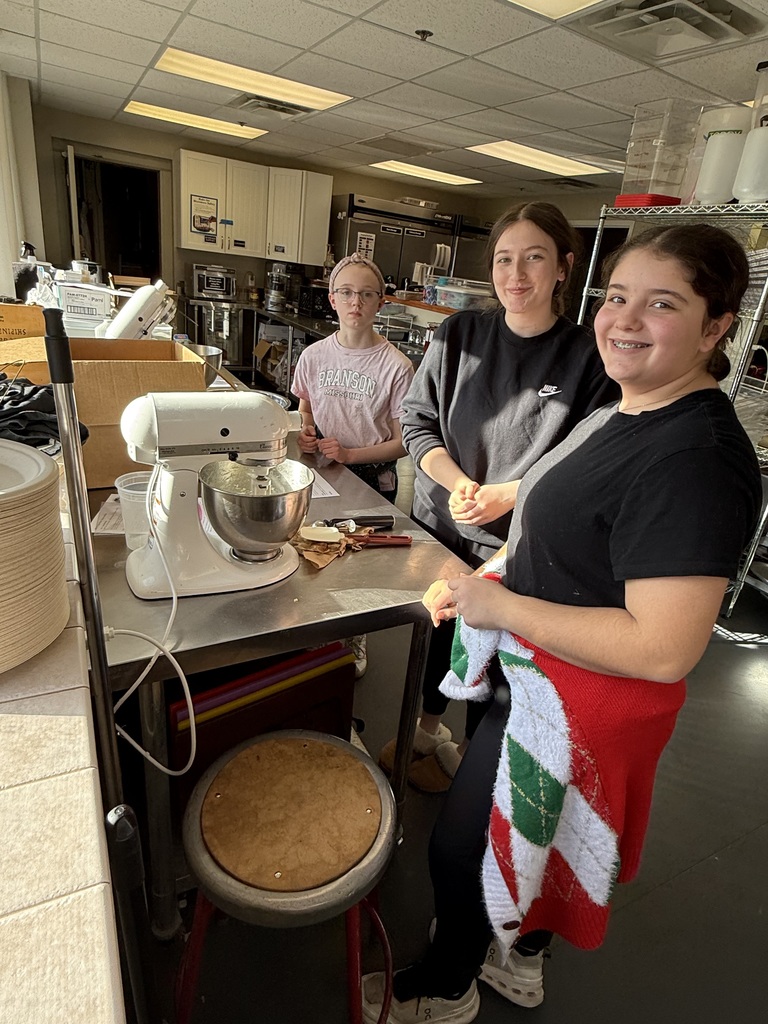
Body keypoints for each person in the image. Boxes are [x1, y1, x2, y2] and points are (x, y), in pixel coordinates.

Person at [362, 223, 763, 1024]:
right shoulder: (623, 408)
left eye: (662, 304)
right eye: (618, 296)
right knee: (536, 843)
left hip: (576, 704)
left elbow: (663, 648)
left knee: (463, 845)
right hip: (539, 670)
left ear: (717, 327)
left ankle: (444, 990)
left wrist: (502, 607)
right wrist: (486, 576)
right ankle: (519, 966)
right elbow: (557, 529)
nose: (623, 319)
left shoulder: (697, 458)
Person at [379, 202, 620, 791]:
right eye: (505, 259)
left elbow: (584, 462)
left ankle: (468, 752)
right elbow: (417, 421)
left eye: (534, 258)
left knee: (494, 656)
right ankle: (427, 728)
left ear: (564, 267)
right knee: (438, 633)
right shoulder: (459, 333)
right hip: (442, 519)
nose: (516, 274)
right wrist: (457, 482)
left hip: (518, 542)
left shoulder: (589, 356)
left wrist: (509, 496)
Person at [291, 253, 414, 675]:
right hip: (322, 472)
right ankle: (317, 629)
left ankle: (355, 640)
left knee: (358, 565)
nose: (355, 302)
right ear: (332, 299)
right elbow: (305, 408)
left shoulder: (396, 367)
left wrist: (350, 455)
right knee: (317, 553)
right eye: (346, 293)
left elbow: (403, 443)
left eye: (366, 294)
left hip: (370, 478)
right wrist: (307, 432)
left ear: (381, 302)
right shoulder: (313, 357)